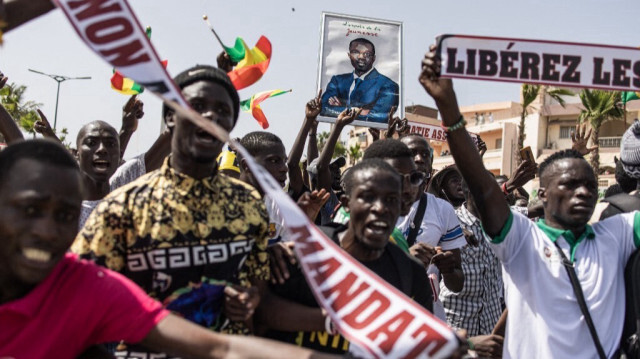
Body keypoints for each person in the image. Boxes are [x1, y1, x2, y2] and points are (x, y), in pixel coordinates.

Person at [0, 139, 336, 359]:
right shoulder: (128, 205)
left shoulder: (88, 286)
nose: (46, 231)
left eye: (65, 215)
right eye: (30, 209)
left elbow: (221, 346)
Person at [420, 44, 640, 359]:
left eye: (590, 185)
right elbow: (482, 186)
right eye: (570, 185)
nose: (583, 192)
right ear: (544, 194)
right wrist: (448, 108)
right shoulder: (522, 239)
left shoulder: (617, 234)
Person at [73, 65, 270, 357]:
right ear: (170, 118)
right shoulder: (123, 207)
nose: (210, 116)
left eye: (222, 110)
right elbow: (77, 303)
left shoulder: (249, 204)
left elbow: (259, 294)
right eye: (197, 106)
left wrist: (250, 300)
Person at [260, 159, 432, 355]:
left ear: (403, 206)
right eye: (368, 197)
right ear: (346, 204)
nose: (380, 208)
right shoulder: (305, 252)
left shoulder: (412, 275)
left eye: (391, 200)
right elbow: (263, 313)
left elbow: (420, 348)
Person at [371, 137, 465, 321]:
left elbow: (457, 283)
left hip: (427, 317)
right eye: (412, 153)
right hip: (382, 315)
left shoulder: (443, 210)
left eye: (425, 155)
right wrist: (406, 259)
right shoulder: (373, 207)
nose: (420, 159)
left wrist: (448, 270)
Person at [320, 38, 399, 123]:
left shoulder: (388, 85)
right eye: (355, 52)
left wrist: (340, 108)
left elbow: (378, 118)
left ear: (374, 58)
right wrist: (355, 110)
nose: (361, 57)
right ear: (349, 55)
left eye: (367, 54)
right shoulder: (337, 81)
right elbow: (323, 108)